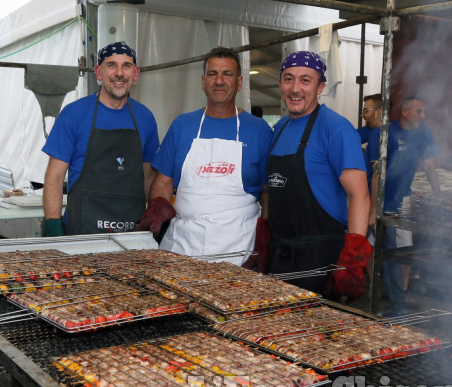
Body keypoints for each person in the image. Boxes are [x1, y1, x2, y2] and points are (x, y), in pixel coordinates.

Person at [137, 46, 273, 266]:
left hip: (238, 249)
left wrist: (265, 238)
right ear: (203, 81)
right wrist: (156, 207)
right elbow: (164, 180)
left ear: (239, 83)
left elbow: (268, 192)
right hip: (182, 247)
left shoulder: (260, 131)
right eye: (212, 74)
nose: (219, 81)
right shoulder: (182, 125)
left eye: (227, 74)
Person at [266, 51, 372, 301]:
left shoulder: (336, 129)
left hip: (321, 257)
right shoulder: (279, 128)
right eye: (288, 79)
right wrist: (264, 235)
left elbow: (359, 195)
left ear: (320, 86)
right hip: (281, 254)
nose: (295, 88)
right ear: (280, 83)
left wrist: (353, 259)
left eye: (305, 80)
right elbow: (272, 188)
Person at [41, 41, 159, 236]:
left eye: (126, 66)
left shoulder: (145, 118)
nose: (119, 73)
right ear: (98, 72)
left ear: (135, 74)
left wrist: (155, 214)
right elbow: (54, 178)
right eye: (111, 65)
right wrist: (52, 223)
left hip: (132, 234)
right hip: (83, 231)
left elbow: (149, 177)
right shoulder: (73, 114)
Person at [367, 96, 441, 316]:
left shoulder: (424, 134)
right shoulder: (384, 133)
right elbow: (376, 174)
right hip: (380, 202)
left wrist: (439, 197)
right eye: (419, 111)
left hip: (403, 202)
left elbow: (430, 166)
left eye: (424, 112)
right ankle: (388, 302)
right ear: (405, 112)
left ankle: (397, 301)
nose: (423, 116)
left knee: (398, 254)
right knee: (382, 253)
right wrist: (374, 209)